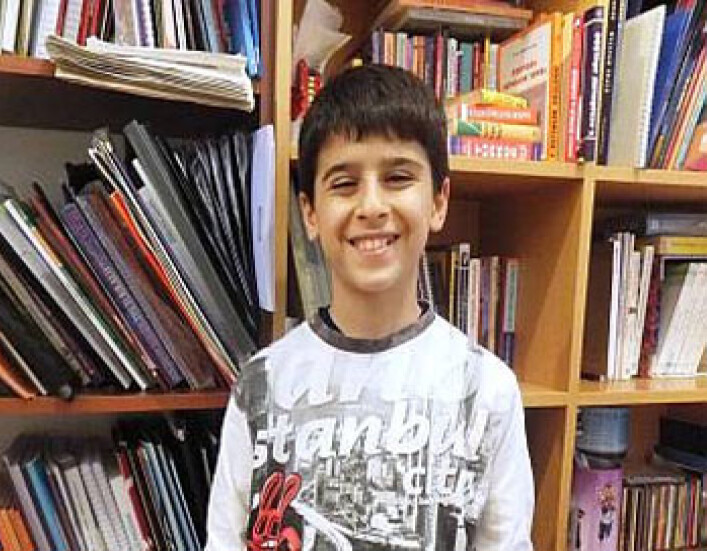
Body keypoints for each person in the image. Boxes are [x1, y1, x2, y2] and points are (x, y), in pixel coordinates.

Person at [204, 64, 535, 551]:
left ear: (438, 201)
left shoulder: (487, 391)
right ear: (310, 212)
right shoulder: (261, 385)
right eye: (344, 183)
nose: (372, 206)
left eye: (398, 177)